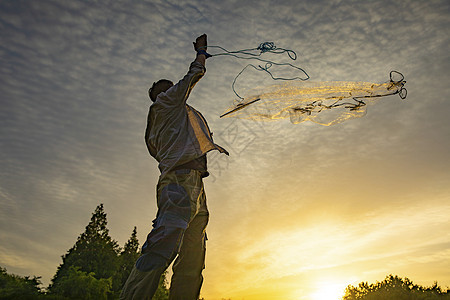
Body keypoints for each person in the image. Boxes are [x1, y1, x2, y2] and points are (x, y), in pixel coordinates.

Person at [120, 34, 228, 300]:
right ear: (160, 95)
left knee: (193, 255)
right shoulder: (165, 104)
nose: (175, 91)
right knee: (162, 246)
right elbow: (194, 74)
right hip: (179, 183)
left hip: (193, 185)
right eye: (169, 89)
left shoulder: (168, 118)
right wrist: (201, 51)